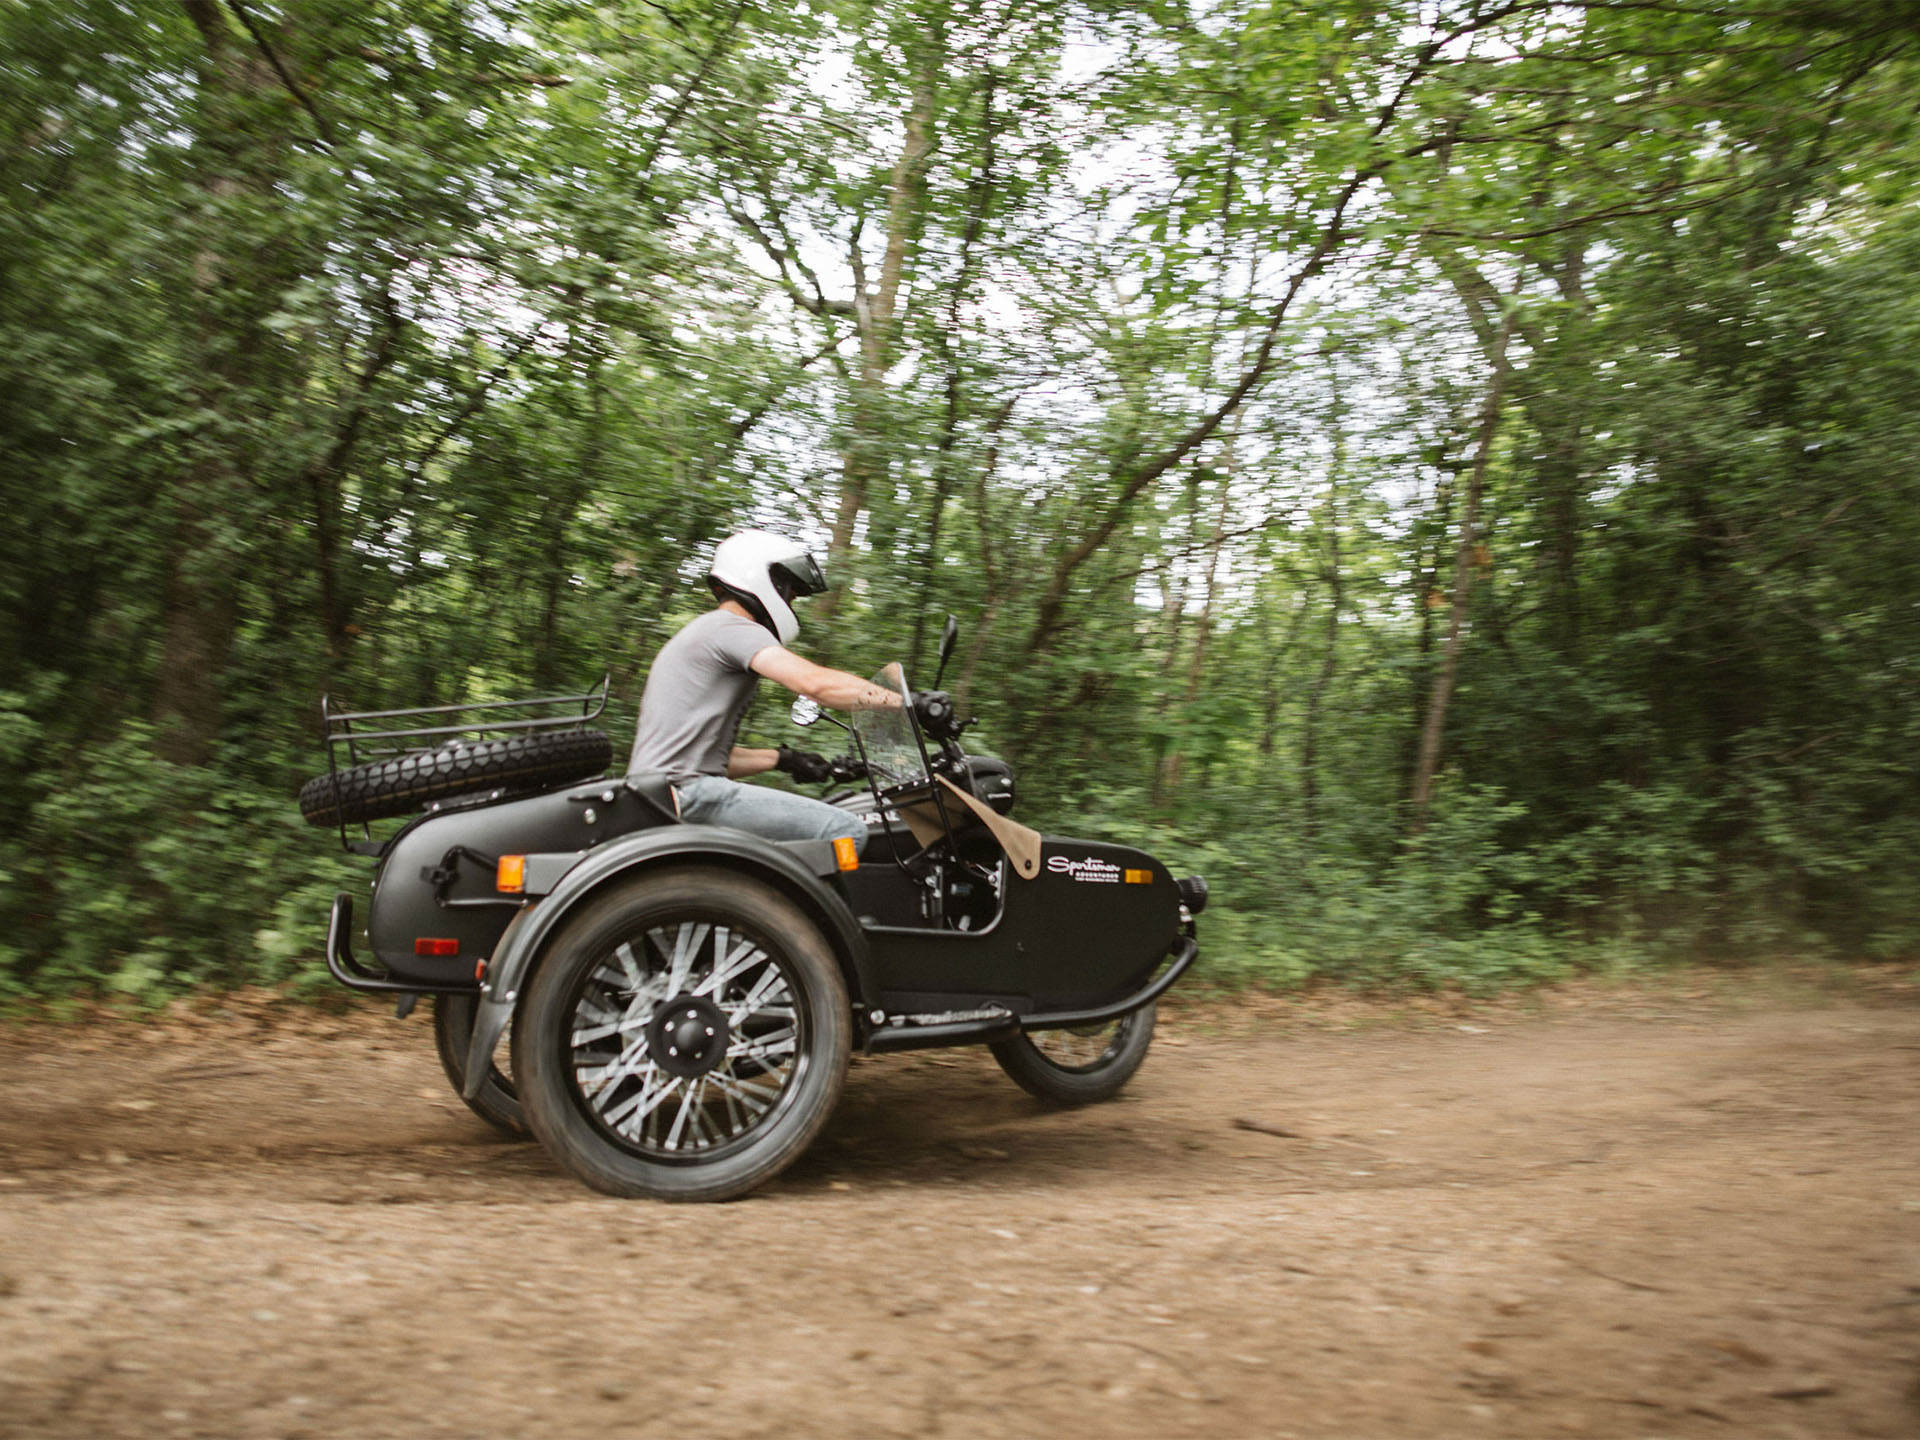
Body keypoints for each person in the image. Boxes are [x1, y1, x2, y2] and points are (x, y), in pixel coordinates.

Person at [625, 530, 951, 852]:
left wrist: (785, 759)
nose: (791, 602)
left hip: (663, 796)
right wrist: (907, 703)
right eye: (791, 592)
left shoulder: (706, 631)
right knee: (845, 828)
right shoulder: (733, 629)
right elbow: (814, 684)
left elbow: (707, 757)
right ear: (765, 579)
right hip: (689, 795)